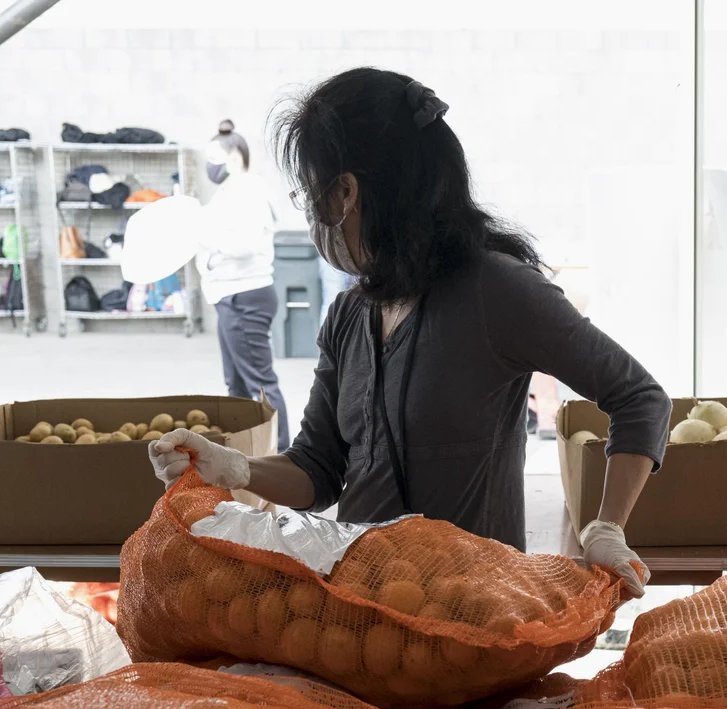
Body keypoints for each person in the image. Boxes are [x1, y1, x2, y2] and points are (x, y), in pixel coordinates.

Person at [151, 68, 669, 596]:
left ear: (346, 194)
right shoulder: (351, 313)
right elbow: (317, 471)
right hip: (362, 611)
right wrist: (236, 468)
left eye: (310, 195)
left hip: (476, 610)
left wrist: (607, 526)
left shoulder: (497, 291)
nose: (310, 216)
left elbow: (638, 396)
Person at [200, 119, 289, 451]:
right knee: (235, 384)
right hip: (228, 295)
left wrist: (206, 237)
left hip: (246, 295)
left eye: (214, 157)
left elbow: (247, 244)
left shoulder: (249, 190)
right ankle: (241, 452)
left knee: (261, 383)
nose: (209, 165)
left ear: (234, 156)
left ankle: (283, 454)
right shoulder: (230, 192)